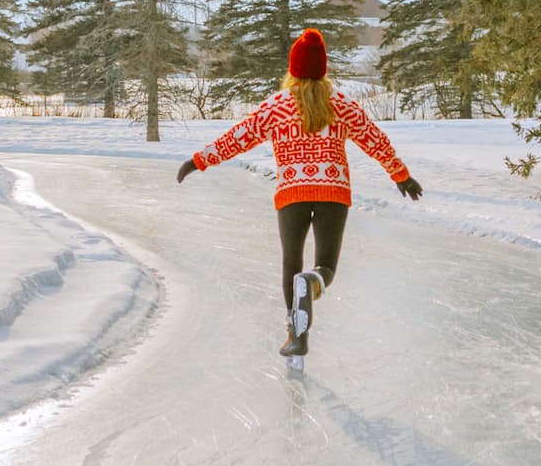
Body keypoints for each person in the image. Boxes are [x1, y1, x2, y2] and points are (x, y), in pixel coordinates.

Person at [175, 28, 423, 359]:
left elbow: (237, 138)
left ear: (292, 68)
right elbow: (374, 139)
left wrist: (197, 161)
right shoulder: (341, 105)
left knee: (291, 265)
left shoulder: (276, 106)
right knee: (325, 267)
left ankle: (297, 337)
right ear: (324, 68)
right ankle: (316, 280)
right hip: (333, 192)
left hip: (292, 191)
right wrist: (401, 175)